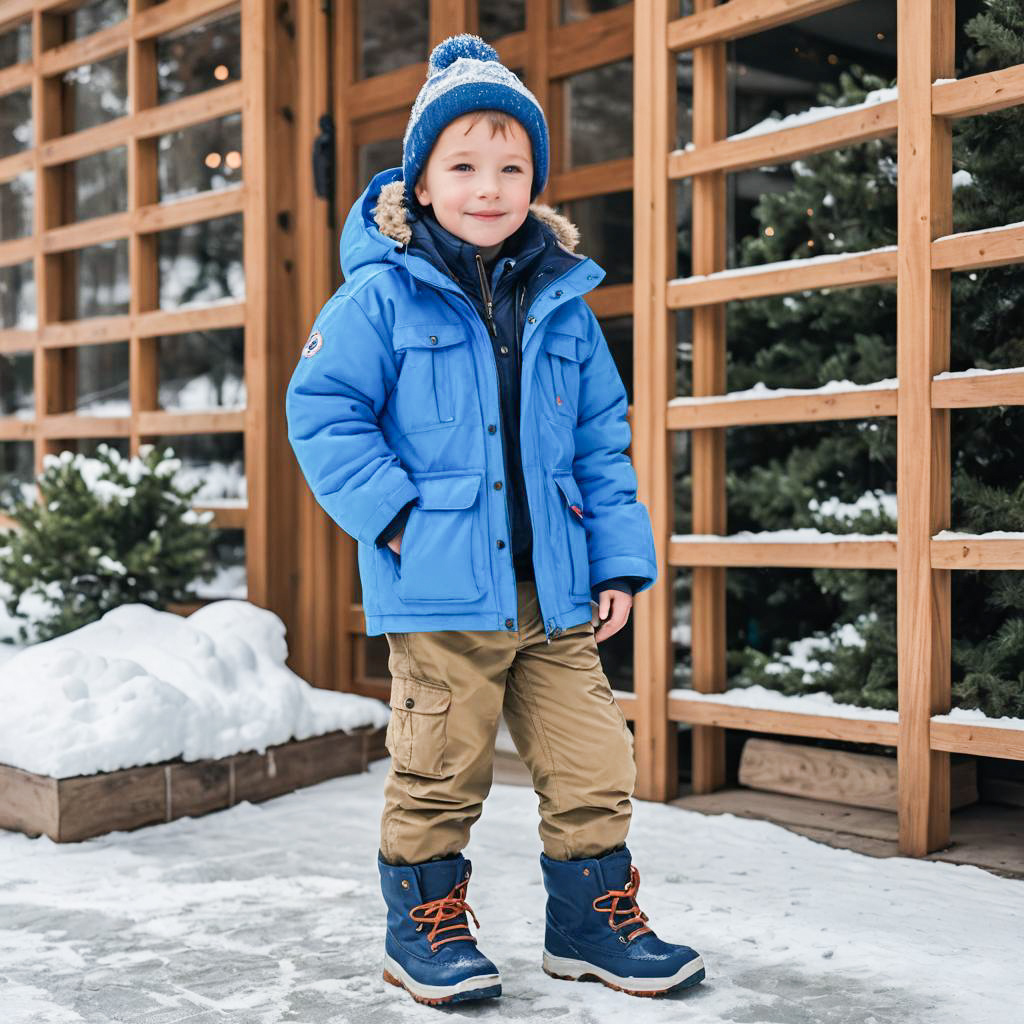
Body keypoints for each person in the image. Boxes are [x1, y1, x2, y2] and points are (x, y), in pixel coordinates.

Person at [285, 33, 706, 1008]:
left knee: (593, 760)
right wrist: (392, 516)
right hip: (438, 591)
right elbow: (323, 409)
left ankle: (589, 922)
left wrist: (617, 560)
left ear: (534, 181)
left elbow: (601, 439)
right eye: (463, 165)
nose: (489, 185)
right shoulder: (378, 297)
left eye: (510, 166)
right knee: (440, 770)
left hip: (554, 591)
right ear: (420, 184)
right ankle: (421, 929)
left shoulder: (562, 301)